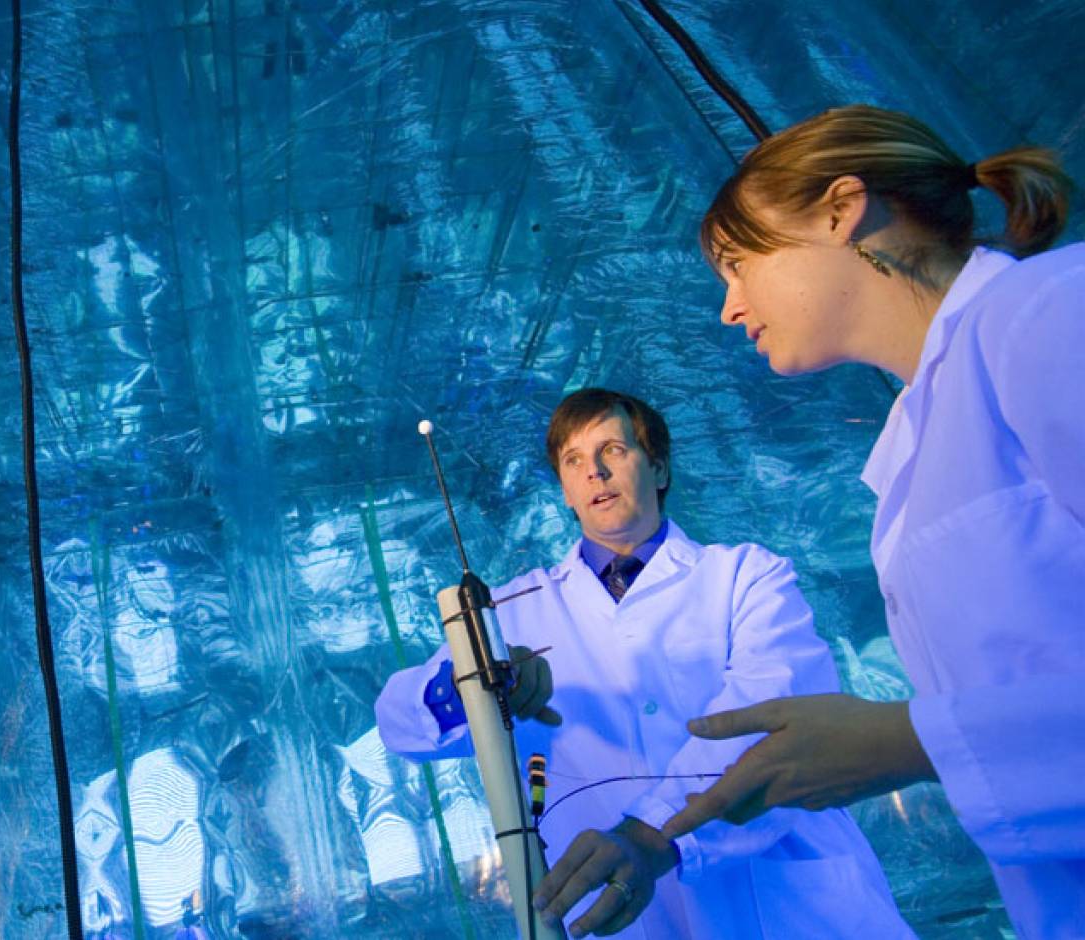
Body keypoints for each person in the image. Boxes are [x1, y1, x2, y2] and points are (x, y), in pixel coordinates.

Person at [659, 104, 1084, 938]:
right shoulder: (922, 433)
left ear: (840, 209)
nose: (729, 307)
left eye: (739, 264)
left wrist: (908, 742)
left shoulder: (1048, 314)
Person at [374, 388, 911, 939]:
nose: (595, 473)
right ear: (563, 491)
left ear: (657, 468)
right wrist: (475, 685)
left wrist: (650, 836)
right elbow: (397, 722)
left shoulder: (747, 577)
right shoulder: (511, 614)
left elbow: (769, 719)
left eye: (613, 451)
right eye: (574, 461)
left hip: (789, 909)